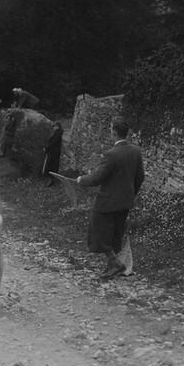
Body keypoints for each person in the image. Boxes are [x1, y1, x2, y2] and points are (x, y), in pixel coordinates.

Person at [75, 118, 145, 279]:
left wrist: (80, 180)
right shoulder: (135, 151)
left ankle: (116, 263)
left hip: (107, 202)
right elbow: (140, 176)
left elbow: (97, 178)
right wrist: (130, 193)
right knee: (116, 234)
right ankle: (111, 268)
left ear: (114, 133)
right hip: (125, 201)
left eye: (110, 130)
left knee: (98, 234)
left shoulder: (111, 154)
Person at [42, 121, 64, 187]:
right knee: (51, 167)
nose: (54, 128)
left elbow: (53, 143)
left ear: (57, 127)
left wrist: (47, 148)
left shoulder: (57, 134)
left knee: (50, 167)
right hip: (53, 152)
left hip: (53, 153)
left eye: (55, 126)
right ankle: (50, 181)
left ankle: (50, 181)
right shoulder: (57, 134)